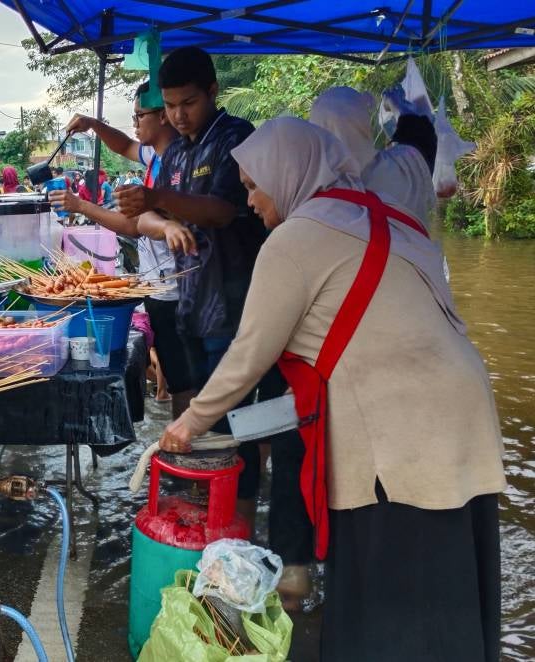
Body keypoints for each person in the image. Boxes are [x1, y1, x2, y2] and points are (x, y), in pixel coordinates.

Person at [161, 117, 504, 661]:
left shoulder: (296, 237)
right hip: (463, 410)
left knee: (388, 591)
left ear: (289, 171)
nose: (249, 201)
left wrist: (185, 425)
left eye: (253, 185)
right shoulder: (387, 215)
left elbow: (250, 353)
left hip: (404, 430)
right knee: (450, 580)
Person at [119, 46, 267, 517]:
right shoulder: (178, 151)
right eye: (170, 106)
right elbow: (157, 214)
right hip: (192, 300)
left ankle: (239, 518)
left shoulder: (236, 139)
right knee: (205, 409)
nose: (178, 116)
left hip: (234, 300)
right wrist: (149, 211)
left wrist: (156, 199)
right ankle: (210, 508)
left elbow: (224, 211)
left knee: (234, 419)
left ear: (212, 92)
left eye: (189, 103)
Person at [57, 82, 185, 408]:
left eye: (140, 115)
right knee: (179, 375)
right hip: (158, 285)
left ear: (164, 115)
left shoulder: (177, 163)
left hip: (177, 287)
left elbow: (134, 226)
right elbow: (125, 145)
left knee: (187, 384)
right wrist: (93, 123)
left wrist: (81, 206)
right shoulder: (154, 155)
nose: (135, 123)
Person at [310, 86, 437, 226]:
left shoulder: (310, 197)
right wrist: (397, 104)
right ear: (363, 122)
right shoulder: (402, 172)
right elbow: (422, 138)